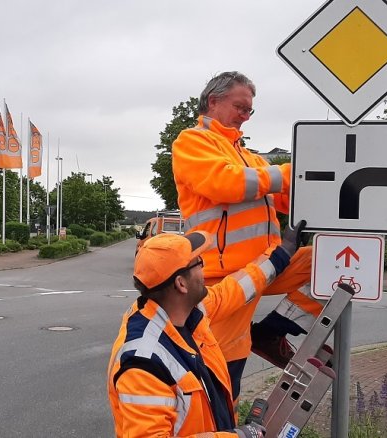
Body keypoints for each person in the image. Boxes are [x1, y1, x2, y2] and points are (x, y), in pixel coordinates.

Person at [171, 71, 324, 402]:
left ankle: (273, 331)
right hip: (224, 280)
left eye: (250, 111)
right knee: (222, 384)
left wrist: (326, 179)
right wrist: (289, 173)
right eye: (241, 107)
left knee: (338, 259)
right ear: (214, 101)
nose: (246, 117)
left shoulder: (251, 158)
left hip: (269, 265)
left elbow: (285, 196)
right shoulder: (192, 142)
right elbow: (225, 183)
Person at [107, 223, 305, 437]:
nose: (204, 270)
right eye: (199, 263)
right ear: (181, 284)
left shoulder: (187, 311)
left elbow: (236, 289)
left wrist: (282, 253)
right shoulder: (143, 365)